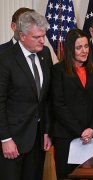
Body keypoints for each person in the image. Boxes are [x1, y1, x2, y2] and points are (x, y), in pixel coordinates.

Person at [0, 11, 52, 180]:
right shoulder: (5, 59)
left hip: (38, 139)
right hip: (12, 139)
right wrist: (5, 138)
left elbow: (45, 98)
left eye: (43, 36)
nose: (42, 41)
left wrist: (46, 130)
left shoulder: (45, 54)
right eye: (37, 37)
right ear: (22, 36)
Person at [51, 29, 93, 179]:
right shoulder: (58, 70)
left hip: (92, 137)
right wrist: (80, 130)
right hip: (67, 137)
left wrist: (92, 128)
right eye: (79, 47)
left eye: (86, 46)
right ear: (70, 49)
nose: (84, 51)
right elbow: (58, 105)